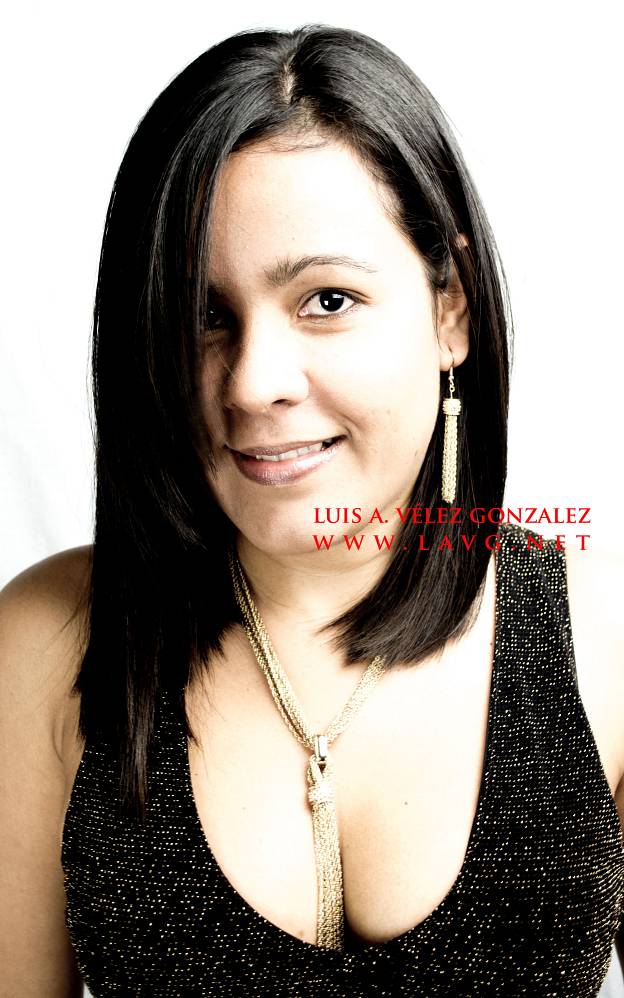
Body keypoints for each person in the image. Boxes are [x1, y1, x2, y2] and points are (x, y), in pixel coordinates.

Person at [1, 22, 622, 997]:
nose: (253, 382)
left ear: (451, 307)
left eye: (327, 299)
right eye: (204, 314)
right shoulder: (46, 643)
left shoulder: (604, 633)